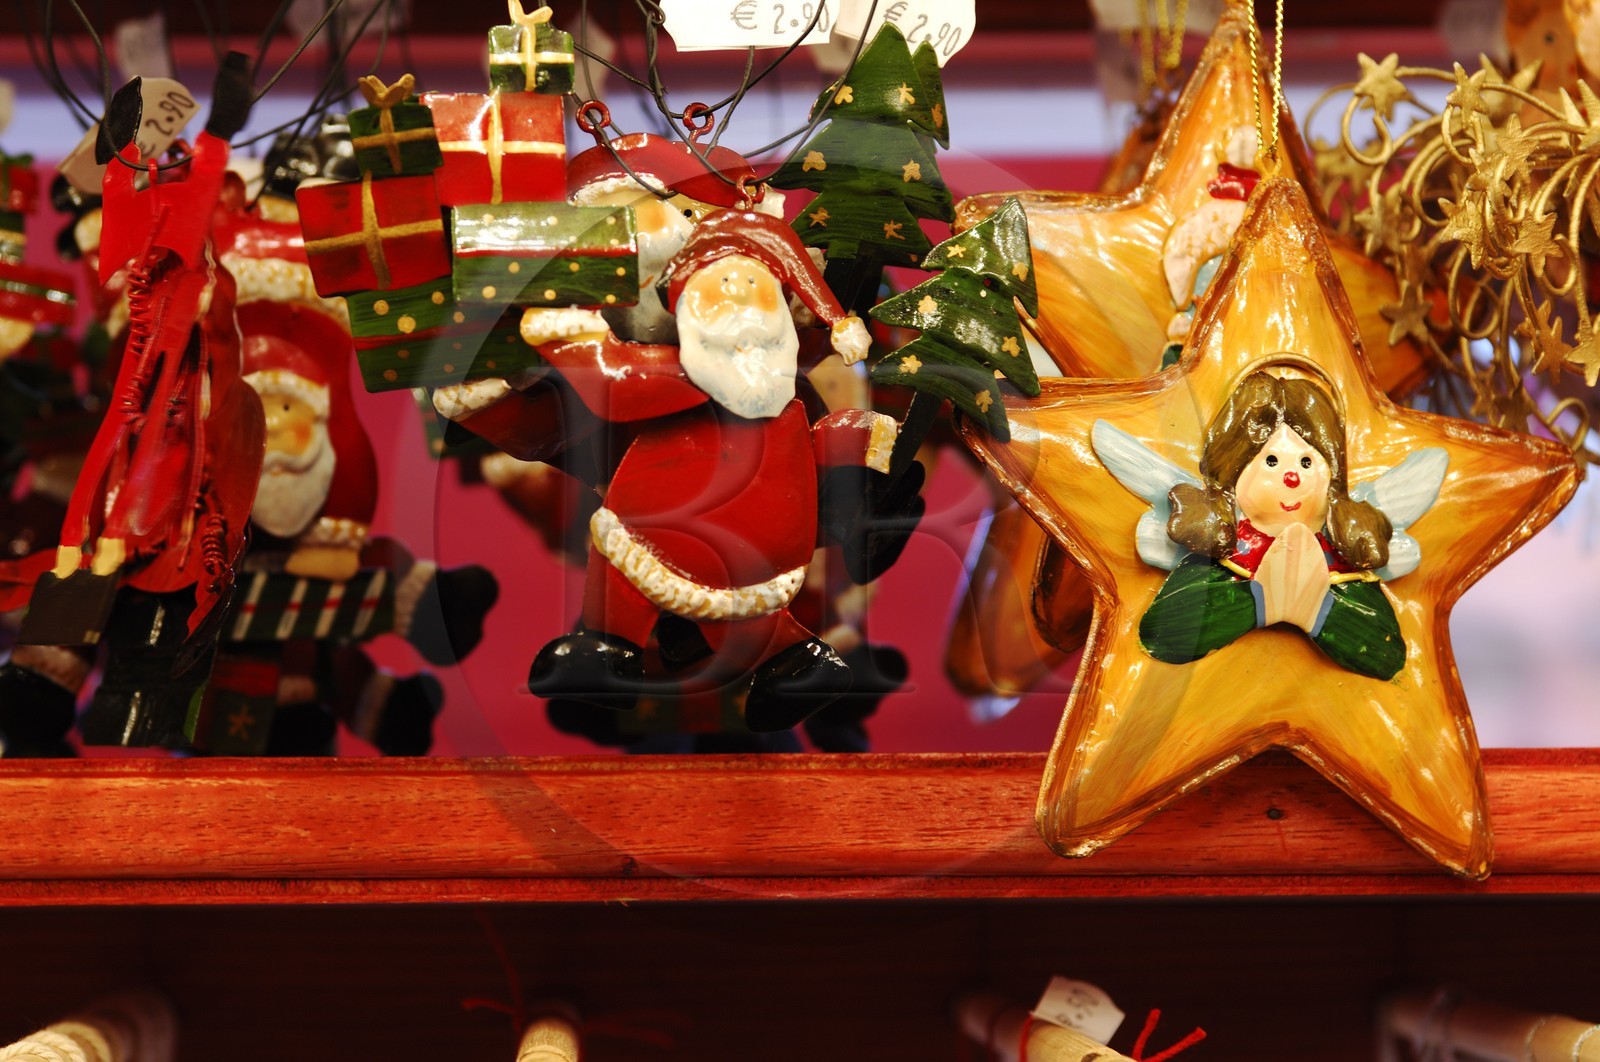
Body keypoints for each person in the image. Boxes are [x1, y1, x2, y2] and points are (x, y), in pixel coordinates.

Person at [1137, 370, 1406, 679]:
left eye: (1306, 463)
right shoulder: (1229, 553)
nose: (1292, 479)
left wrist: (1316, 609)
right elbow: (1163, 633)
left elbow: (1385, 652)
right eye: (1272, 462)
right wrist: (1261, 601)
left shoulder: (1339, 560)